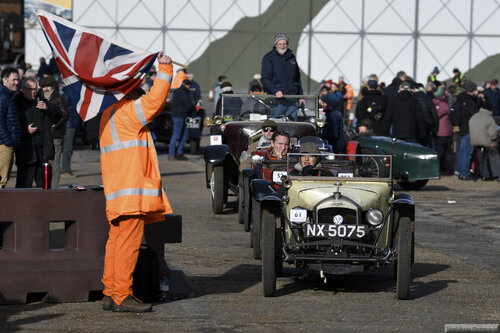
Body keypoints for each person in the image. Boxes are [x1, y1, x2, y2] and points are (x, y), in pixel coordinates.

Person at [99, 51, 174, 313]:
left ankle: (110, 292)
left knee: (116, 243)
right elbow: (155, 101)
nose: (141, 92)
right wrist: (164, 70)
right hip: (131, 195)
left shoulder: (108, 116)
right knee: (128, 246)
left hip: (118, 193)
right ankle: (121, 295)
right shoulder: (129, 113)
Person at [14, 77, 61, 188]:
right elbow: (11, 126)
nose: (33, 92)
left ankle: (43, 206)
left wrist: (47, 107)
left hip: (42, 153)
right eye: (30, 89)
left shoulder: (40, 100)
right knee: (23, 187)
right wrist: (25, 130)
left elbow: (59, 115)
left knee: (43, 187)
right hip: (26, 153)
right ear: (23, 90)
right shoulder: (16, 103)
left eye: (35, 89)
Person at [261, 32, 304, 120]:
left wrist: (301, 96)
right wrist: (276, 91)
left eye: (284, 44)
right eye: (280, 44)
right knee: (277, 125)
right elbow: (265, 79)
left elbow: (297, 78)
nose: (282, 46)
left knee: (292, 128)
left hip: (292, 100)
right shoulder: (268, 58)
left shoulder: (292, 57)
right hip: (277, 101)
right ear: (276, 45)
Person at [39, 76, 68, 187]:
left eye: (47, 86)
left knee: (54, 164)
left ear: (52, 87)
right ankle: (44, 187)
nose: (46, 89)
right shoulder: (39, 98)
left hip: (55, 135)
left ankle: (54, 188)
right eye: (43, 87)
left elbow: (65, 114)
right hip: (44, 136)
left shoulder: (59, 98)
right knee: (44, 163)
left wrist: (55, 126)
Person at [451, 81, 480, 180]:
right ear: (472, 91)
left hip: (462, 129)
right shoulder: (470, 102)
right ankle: (464, 173)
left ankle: (460, 171)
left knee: (462, 152)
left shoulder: (460, 100)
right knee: (467, 153)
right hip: (469, 129)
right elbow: (475, 115)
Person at [0, 67, 21, 188]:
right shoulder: (3, 97)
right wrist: (8, 142)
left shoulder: (7, 96)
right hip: (3, 146)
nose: (17, 83)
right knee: (1, 181)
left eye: (18, 80)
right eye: (14, 80)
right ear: (5, 80)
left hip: (6, 145)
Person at [469, 102, 500, 181]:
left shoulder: (474, 116)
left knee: (481, 157)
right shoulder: (489, 118)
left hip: (474, 141)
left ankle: (484, 175)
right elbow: (492, 134)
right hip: (486, 142)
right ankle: (498, 174)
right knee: (494, 156)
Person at [168, 79, 194, 161]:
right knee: (178, 135)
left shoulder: (177, 91)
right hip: (181, 116)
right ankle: (173, 154)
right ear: (187, 85)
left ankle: (177, 153)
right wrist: (194, 108)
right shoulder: (184, 93)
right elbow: (189, 105)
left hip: (177, 115)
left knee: (180, 134)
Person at [319, 84, 346, 153]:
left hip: (335, 146)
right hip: (336, 144)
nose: (322, 104)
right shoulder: (333, 113)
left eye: (323, 102)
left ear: (327, 104)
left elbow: (334, 134)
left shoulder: (332, 115)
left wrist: (321, 136)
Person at [433, 89, 453, 173]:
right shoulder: (444, 105)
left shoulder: (432, 103)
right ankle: (442, 167)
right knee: (443, 151)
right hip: (444, 130)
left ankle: (437, 166)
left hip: (435, 130)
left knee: (437, 149)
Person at [61, 93, 81, 177]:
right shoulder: (69, 93)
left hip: (72, 122)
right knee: (68, 147)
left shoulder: (69, 92)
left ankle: (66, 169)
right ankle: (66, 170)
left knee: (69, 147)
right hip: (70, 123)